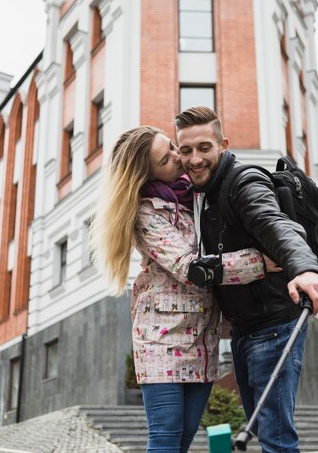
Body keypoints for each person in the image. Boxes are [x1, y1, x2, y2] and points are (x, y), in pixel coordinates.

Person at [90, 125, 267, 453]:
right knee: (165, 437)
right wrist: (261, 262)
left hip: (201, 342)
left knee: (183, 439)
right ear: (148, 174)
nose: (177, 157)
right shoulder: (145, 214)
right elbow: (191, 268)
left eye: (172, 146)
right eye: (165, 158)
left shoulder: (196, 197)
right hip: (163, 341)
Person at [175, 107, 318, 453]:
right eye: (185, 150)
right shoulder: (204, 193)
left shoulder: (243, 181)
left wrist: (304, 268)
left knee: (275, 439)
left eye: (204, 148)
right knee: (264, 430)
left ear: (223, 144)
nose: (194, 159)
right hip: (245, 331)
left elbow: (275, 224)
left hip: (273, 328)